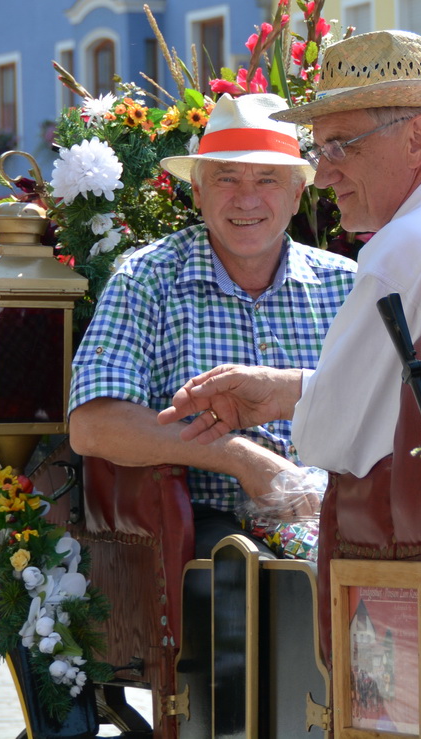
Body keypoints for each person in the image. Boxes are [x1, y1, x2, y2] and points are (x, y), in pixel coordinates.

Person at [157, 30, 421, 479]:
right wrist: (284, 392)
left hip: (400, 540)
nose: (322, 177)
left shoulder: (401, 251)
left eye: (339, 145)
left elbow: (331, 440)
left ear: (417, 140)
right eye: (320, 151)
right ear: (197, 191)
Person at [67, 92, 357, 554]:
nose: (247, 199)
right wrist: (240, 458)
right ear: (198, 191)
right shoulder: (147, 279)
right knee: (263, 580)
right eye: (227, 178)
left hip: (344, 513)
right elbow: (93, 425)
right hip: (207, 526)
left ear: (297, 194)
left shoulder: (347, 285)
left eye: (267, 179)